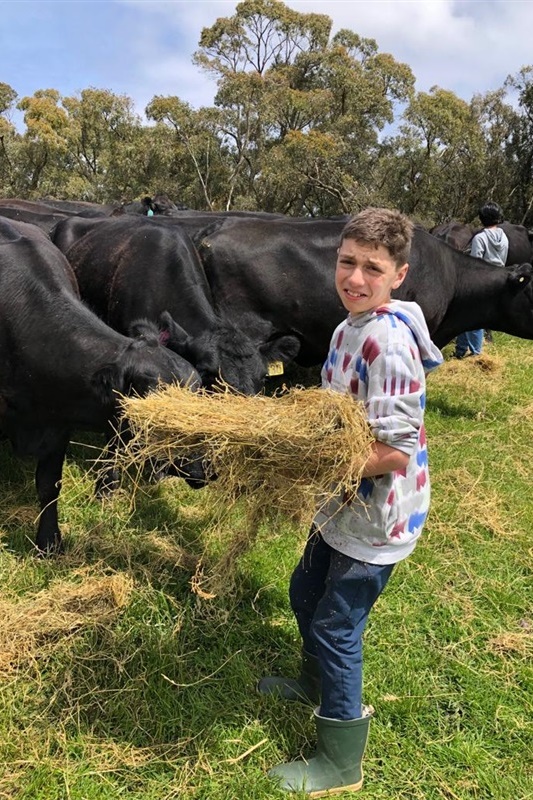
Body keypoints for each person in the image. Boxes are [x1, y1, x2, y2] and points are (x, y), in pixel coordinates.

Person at [258, 207, 443, 796]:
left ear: (399, 275)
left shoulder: (386, 344)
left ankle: (341, 761)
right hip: (341, 500)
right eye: (347, 262)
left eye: (373, 268)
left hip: (378, 513)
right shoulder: (345, 329)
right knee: (304, 589)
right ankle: (317, 682)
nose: (355, 278)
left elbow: (393, 451)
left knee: (339, 627)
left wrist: (312, 463)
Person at [453, 202, 509, 358]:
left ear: (482, 219)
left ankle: (476, 354)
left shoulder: (480, 238)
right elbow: (503, 259)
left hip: (480, 281)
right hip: (497, 279)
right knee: (467, 316)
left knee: (472, 317)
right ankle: (461, 349)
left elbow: (475, 263)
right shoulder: (504, 237)